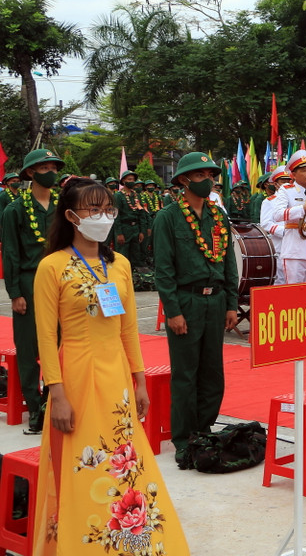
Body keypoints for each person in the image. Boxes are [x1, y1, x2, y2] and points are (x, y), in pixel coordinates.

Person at [32, 177, 189, 554]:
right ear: (70, 216)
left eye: (107, 209)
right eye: (93, 209)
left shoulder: (119, 265)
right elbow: (45, 336)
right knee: (84, 459)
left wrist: (139, 380)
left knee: (124, 460)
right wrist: (57, 393)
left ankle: (131, 541)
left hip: (116, 374)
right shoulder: (52, 267)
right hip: (76, 374)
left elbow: (128, 328)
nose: (102, 216)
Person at [153, 152, 239, 464]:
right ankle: (183, 438)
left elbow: (229, 263)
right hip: (186, 301)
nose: (208, 181)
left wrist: (231, 303)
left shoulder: (219, 217)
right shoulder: (168, 217)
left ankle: (205, 429)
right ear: (184, 180)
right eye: (201, 175)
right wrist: (173, 311)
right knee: (185, 374)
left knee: (213, 372)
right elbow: (163, 270)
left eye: (211, 175)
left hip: (216, 300)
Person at [2, 148, 64, 432]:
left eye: (54, 168)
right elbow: (11, 253)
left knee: (61, 343)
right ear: (30, 172)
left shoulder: (63, 207)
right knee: (29, 348)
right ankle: (36, 406)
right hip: (29, 282)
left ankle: (55, 400)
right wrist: (15, 293)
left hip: (61, 281)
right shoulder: (15, 209)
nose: (51, 172)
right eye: (44, 168)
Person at [272, 150, 306, 284]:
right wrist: (302, 209)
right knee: (294, 290)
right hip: (294, 250)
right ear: (293, 174)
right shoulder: (286, 190)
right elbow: (277, 214)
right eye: (304, 171)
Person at [260, 166, 291, 285]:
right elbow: (266, 224)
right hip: (279, 246)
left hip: (296, 247)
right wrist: (286, 231)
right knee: (280, 281)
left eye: (289, 181)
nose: (286, 184)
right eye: (283, 181)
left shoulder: (297, 199)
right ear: (276, 184)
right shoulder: (269, 201)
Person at [113, 169, 147, 269]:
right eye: (129, 179)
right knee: (123, 253)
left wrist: (142, 231)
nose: (132, 181)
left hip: (136, 228)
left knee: (136, 252)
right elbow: (116, 216)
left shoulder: (137, 196)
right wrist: (119, 233)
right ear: (123, 181)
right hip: (124, 227)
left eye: (133, 179)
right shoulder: (118, 196)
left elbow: (141, 214)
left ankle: (136, 274)